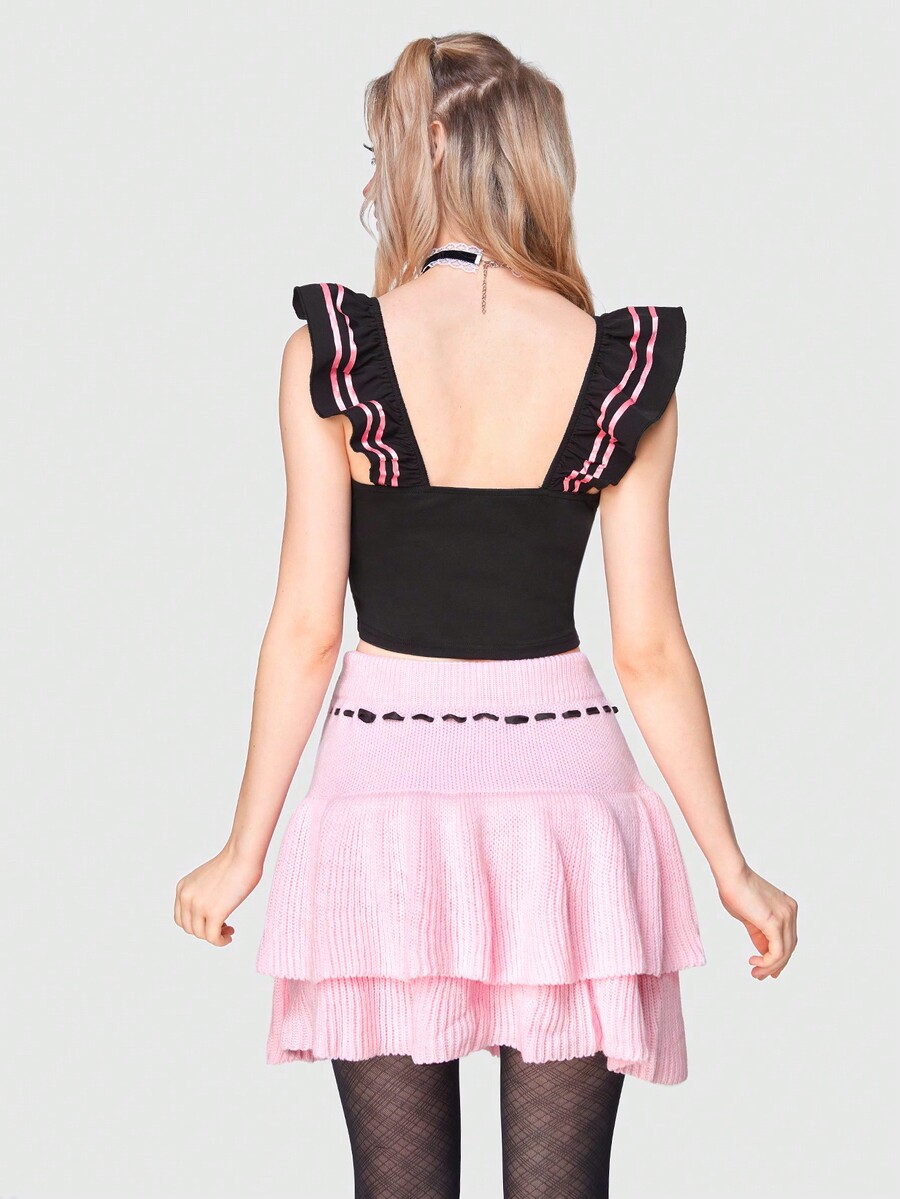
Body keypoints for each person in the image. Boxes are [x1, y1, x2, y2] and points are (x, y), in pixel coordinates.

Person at [174, 31, 798, 1198]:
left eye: (378, 151)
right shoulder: (615, 364)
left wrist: (243, 848)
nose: (371, 181)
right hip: (567, 805)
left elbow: (308, 628)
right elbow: (649, 648)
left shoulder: (334, 355)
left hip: (383, 798)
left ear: (426, 148)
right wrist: (731, 864)